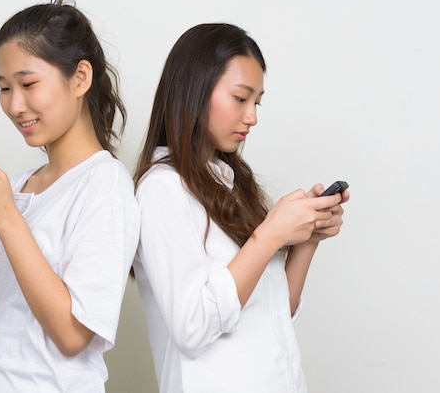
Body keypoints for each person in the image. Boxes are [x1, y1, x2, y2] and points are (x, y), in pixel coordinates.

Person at [0, 0, 140, 392]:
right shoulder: (16, 188)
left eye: (28, 84)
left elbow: (72, 337)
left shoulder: (105, 185)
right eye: (4, 88)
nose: (15, 105)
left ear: (80, 77)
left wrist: (6, 217)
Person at [132, 23, 349, 393]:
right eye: (240, 98)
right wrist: (270, 234)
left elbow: (277, 311)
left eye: (257, 102)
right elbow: (192, 327)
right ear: (194, 90)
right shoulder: (160, 191)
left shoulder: (230, 183)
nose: (252, 116)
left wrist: (307, 240)